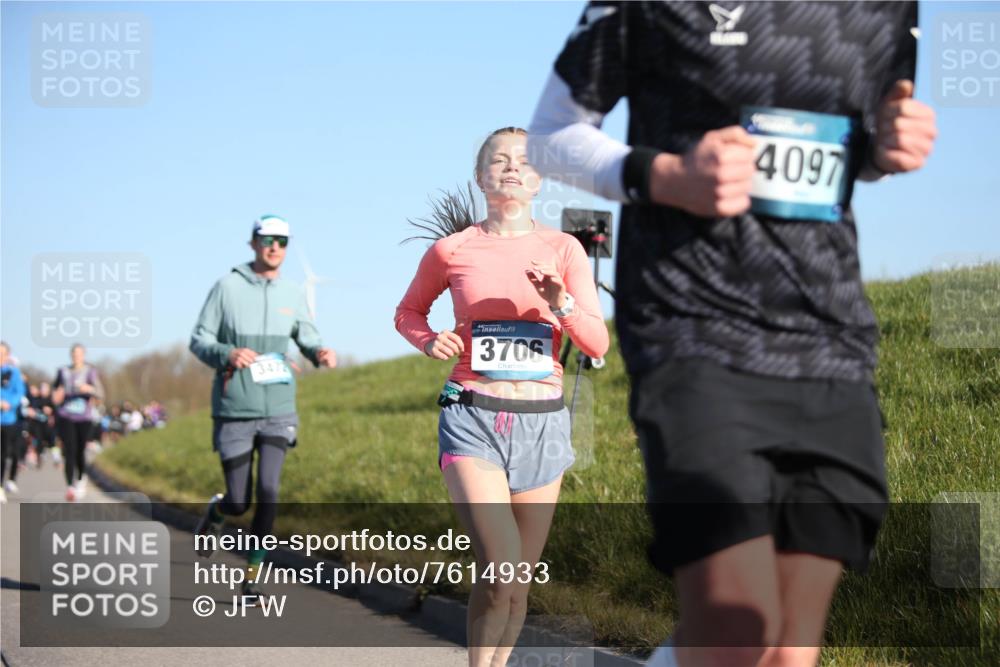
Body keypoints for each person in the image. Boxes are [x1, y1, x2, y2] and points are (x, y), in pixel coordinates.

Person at [528, 3, 937, 666]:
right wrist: (667, 176)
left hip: (828, 331)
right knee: (735, 624)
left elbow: (854, 143)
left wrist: (888, 151)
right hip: (690, 319)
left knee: (789, 648)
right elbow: (550, 135)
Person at [395, 127, 610, 667]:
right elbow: (407, 312)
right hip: (472, 415)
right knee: (501, 565)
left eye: (523, 161)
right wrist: (427, 339)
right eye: (499, 160)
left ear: (539, 181)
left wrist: (561, 304)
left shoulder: (565, 249)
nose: (511, 167)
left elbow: (598, 341)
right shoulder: (452, 250)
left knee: (515, 588)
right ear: (480, 177)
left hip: (542, 422)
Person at [190, 214, 337, 605]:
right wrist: (226, 352)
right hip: (235, 408)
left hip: (279, 408)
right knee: (240, 500)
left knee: (269, 493)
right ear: (253, 242)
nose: (274, 247)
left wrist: (319, 352)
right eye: (267, 239)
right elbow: (199, 339)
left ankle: (251, 579)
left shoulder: (292, 292)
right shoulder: (226, 287)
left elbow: (306, 335)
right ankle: (217, 514)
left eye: (282, 242)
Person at [52, 343, 105, 502]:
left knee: (79, 450)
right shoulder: (63, 372)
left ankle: (81, 478)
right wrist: (56, 395)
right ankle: (70, 486)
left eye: (79, 353)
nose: (76, 356)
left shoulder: (90, 372)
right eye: (74, 353)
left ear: (84, 355)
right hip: (66, 415)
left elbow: (101, 393)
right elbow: (54, 393)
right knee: (69, 450)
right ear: (71, 355)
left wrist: (89, 389)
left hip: (84, 417)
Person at [1, 342, 27, 503]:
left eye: (2, 353)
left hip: (7, 419)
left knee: (2, 455)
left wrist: (8, 403)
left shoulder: (13, 372)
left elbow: (20, 393)